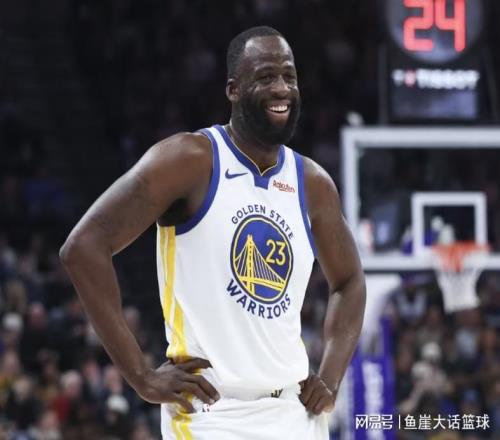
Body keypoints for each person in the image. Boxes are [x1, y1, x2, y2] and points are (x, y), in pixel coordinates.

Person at [60, 26, 366, 440]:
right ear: (233, 90)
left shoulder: (312, 183)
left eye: (289, 76)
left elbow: (350, 281)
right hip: (211, 414)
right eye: (266, 77)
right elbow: (83, 247)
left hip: (295, 414)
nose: (281, 88)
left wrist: (329, 376)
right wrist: (141, 376)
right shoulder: (189, 160)